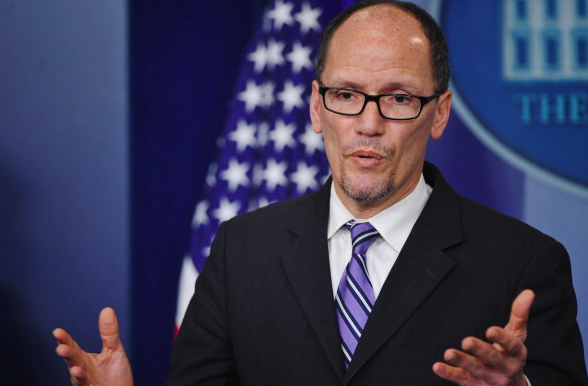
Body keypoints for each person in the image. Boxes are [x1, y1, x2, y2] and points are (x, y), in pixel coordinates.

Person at [54, 1, 588, 385]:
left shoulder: (524, 262)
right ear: (316, 107)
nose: (368, 124)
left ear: (439, 113)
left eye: (398, 98)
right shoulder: (241, 250)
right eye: (346, 95)